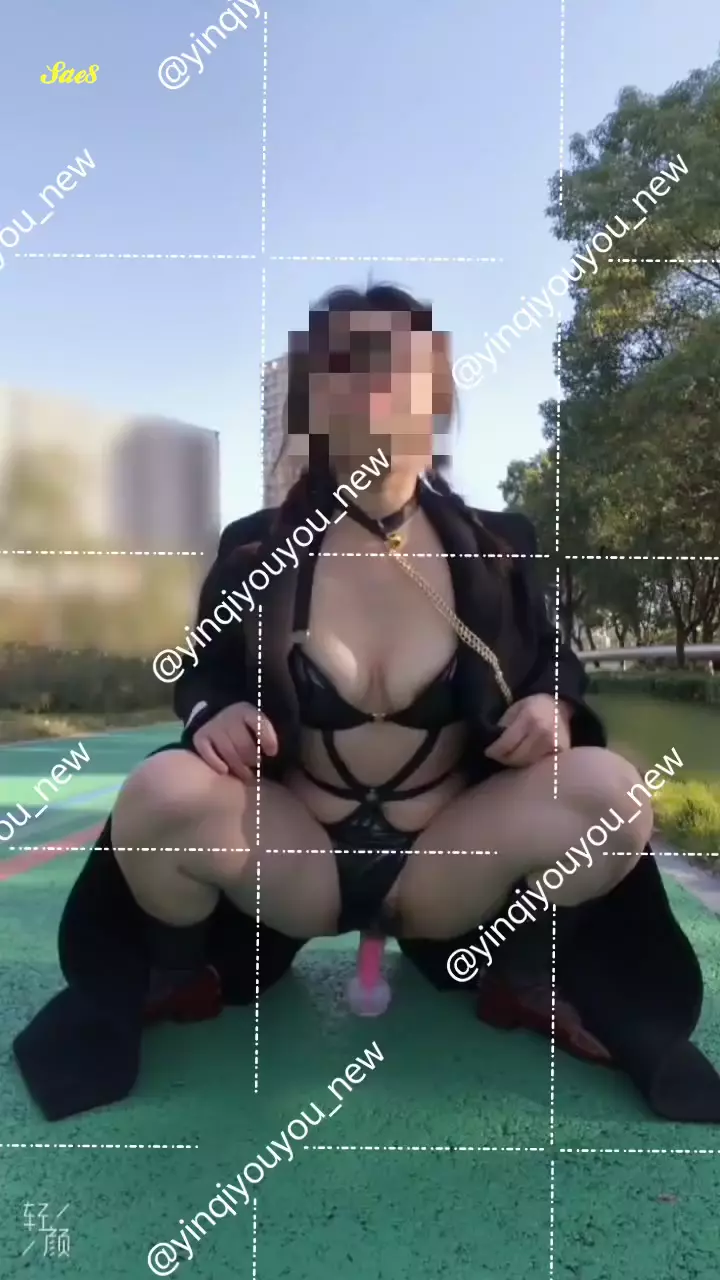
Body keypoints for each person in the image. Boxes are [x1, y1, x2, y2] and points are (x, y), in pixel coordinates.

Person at [14, 284, 720, 1123]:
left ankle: (523, 974)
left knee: (610, 793)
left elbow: (553, 661)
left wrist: (554, 707)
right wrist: (213, 716)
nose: (374, 381)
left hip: (450, 864)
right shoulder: (256, 548)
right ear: (315, 401)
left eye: (398, 360)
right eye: (345, 362)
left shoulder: (499, 545)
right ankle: (178, 973)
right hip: (296, 859)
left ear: (438, 392)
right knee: (159, 793)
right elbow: (200, 672)